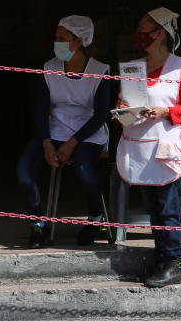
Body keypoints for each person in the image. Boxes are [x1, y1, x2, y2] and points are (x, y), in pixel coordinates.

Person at [116, 7, 181, 288]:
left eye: (145, 28)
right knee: (153, 206)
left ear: (160, 33)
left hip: (165, 148)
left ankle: (172, 261)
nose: (139, 34)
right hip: (140, 146)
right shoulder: (133, 68)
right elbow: (124, 102)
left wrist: (164, 111)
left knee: (168, 206)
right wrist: (122, 108)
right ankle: (160, 255)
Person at [16, 15, 111, 249]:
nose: (55, 42)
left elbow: (100, 115)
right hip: (54, 128)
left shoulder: (101, 70)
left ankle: (95, 219)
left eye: (62, 38)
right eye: (55, 37)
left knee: (84, 169)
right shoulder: (50, 68)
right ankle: (38, 223)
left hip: (88, 131)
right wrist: (47, 143)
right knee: (24, 170)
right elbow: (41, 111)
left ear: (78, 41)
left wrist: (72, 143)